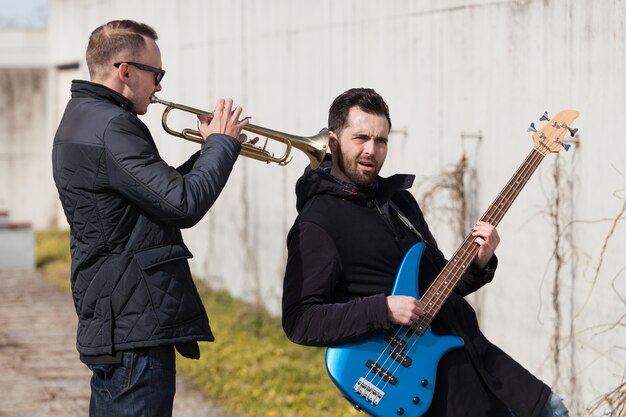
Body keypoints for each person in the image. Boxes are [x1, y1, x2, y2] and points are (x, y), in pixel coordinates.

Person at [281, 88, 569, 417]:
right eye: (360, 138)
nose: (371, 150)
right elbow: (300, 321)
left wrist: (478, 263)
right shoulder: (318, 222)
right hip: (428, 388)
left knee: (554, 409)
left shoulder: (400, 203)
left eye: (381, 141)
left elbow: (444, 283)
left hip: (476, 356)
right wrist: (383, 309)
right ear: (332, 141)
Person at [52, 20, 249, 417]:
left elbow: (156, 194)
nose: (159, 86)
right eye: (156, 74)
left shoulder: (86, 117)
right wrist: (221, 146)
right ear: (125, 71)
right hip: (133, 326)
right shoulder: (113, 127)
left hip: (117, 313)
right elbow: (183, 204)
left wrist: (213, 150)